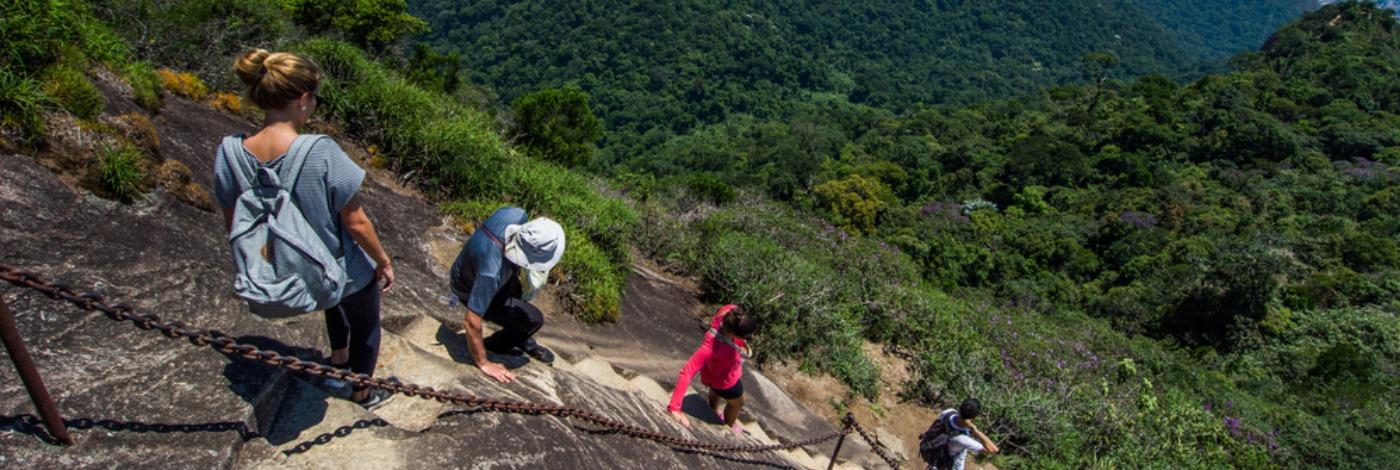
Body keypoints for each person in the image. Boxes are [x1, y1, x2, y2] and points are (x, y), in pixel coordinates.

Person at [214, 49, 395, 408]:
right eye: (313, 97)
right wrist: (383, 261)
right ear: (301, 99)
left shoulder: (230, 152)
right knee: (366, 323)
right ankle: (362, 392)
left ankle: (338, 359)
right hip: (339, 269)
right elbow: (356, 222)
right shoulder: (319, 150)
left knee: (332, 299)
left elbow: (233, 219)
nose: (313, 104)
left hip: (283, 267)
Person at [450, 206, 564, 383]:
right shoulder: (491, 273)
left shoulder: (514, 215)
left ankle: (520, 337)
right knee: (533, 319)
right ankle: (496, 345)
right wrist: (484, 362)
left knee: (519, 290)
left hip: (468, 267)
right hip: (468, 288)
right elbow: (472, 321)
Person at [667, 305, 756, 434]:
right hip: (726, 382)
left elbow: (731, 310)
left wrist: (739, 344)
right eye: (745, 337)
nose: (746, 339)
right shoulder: (711, 348)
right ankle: (728, 426)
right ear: (732, 333)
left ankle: (713, 412)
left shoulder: (728, 312)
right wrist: (674, 408)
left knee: (715, 392)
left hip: (711, 374)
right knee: (737, 403)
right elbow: (687, 372)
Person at [920, 398, 1000, 470]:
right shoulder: (963, 439)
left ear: (960, 409)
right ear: (973, 418)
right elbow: (993, 449)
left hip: (935, 455)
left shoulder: (948, 412)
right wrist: (975, 430)